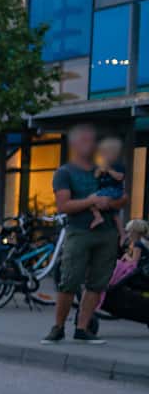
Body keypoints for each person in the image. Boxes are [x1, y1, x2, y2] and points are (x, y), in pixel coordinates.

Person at [45, 122, 127, 344]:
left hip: (107, 232)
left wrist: (109, 203)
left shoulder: (105, 169)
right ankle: (58, 327)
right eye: (85, 141)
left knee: (98, 283)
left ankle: (82, 328)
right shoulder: (65, 172)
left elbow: (123, 198)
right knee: (69, 280)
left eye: (93, 141)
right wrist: (91, 201)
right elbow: (63, 206)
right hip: (79, 232)